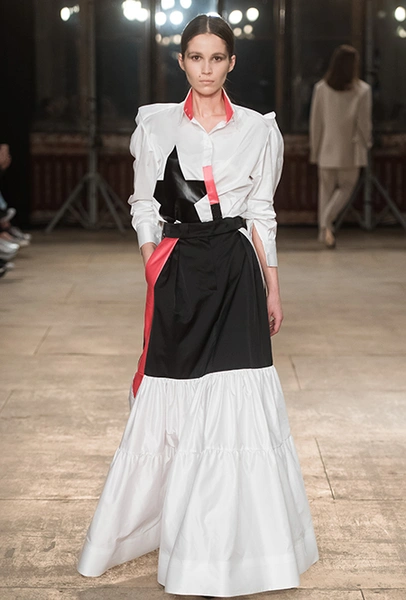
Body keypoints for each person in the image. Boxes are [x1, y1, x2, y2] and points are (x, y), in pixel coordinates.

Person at [77, 14, 318, 596]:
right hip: (180, 266)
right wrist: (151, 263)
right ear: (181, 61)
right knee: (175, 394)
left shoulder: (259, 130)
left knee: (237, 399)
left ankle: (238, 548)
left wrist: (273, 285)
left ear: (232, 62)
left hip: (236, 269)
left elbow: (261, 211)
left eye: (216, 58)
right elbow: (143, 202)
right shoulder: (155, 125)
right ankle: (172, 528)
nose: (205, 68)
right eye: (195, 57)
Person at [309, 44, 372, 248]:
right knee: (345, 189)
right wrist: (367, 143)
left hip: (326, 148)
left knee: (325, 192)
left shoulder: (321, 88)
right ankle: (327, 223)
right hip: (351, 150)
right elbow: (364, 124)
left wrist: (314, 150)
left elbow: (316, 123)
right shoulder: (362, 90)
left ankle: (324, 230)